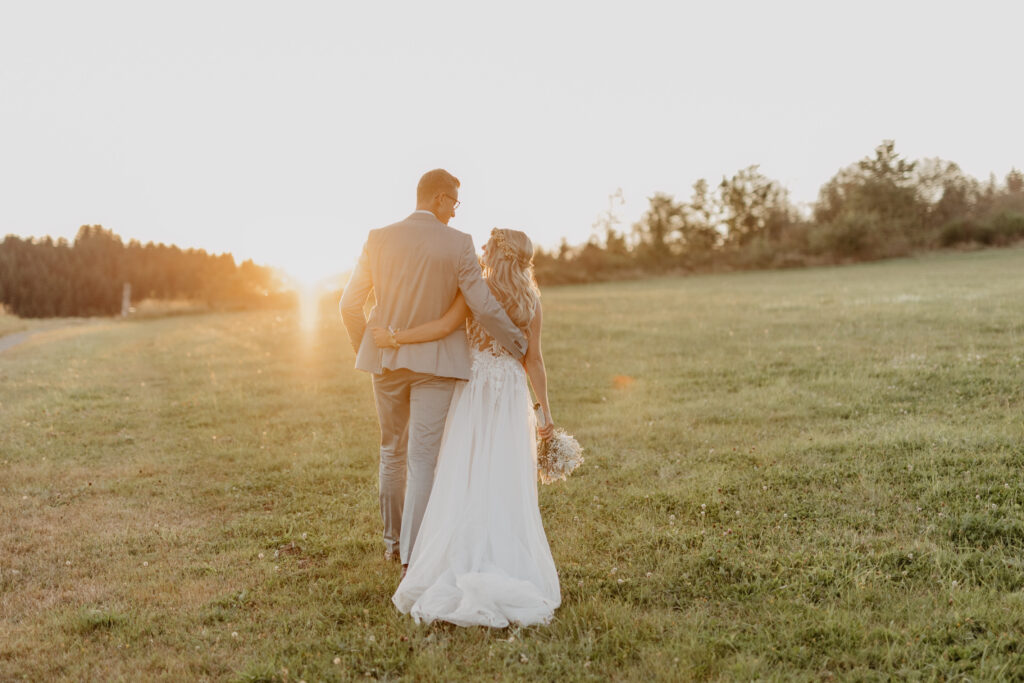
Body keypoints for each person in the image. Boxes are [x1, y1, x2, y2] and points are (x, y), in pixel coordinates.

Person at [339, 170, 527, 575]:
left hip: (386, 361)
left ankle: (391, 544)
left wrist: (367, 350)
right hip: (436, 366)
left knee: (391, 451)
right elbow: (481, 304)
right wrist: (519, 342)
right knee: (423, 459)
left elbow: (348, 305)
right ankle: (413, 554)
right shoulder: (458, 244)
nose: (456, 213)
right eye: (455, 203)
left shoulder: (378, 237)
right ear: (440, 198)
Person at [378, 228, 561, 627]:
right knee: (503, 473)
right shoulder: (531, 300)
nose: (481, 249)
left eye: (487, 245)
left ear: (497, 252)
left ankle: (455, 553)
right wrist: (545, 412)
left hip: (474, 387)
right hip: (510, 393)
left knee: (463, 469)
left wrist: (396, 338)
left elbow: (444, 327)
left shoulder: (477, 292)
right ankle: (499, 553)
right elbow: (535, 361)